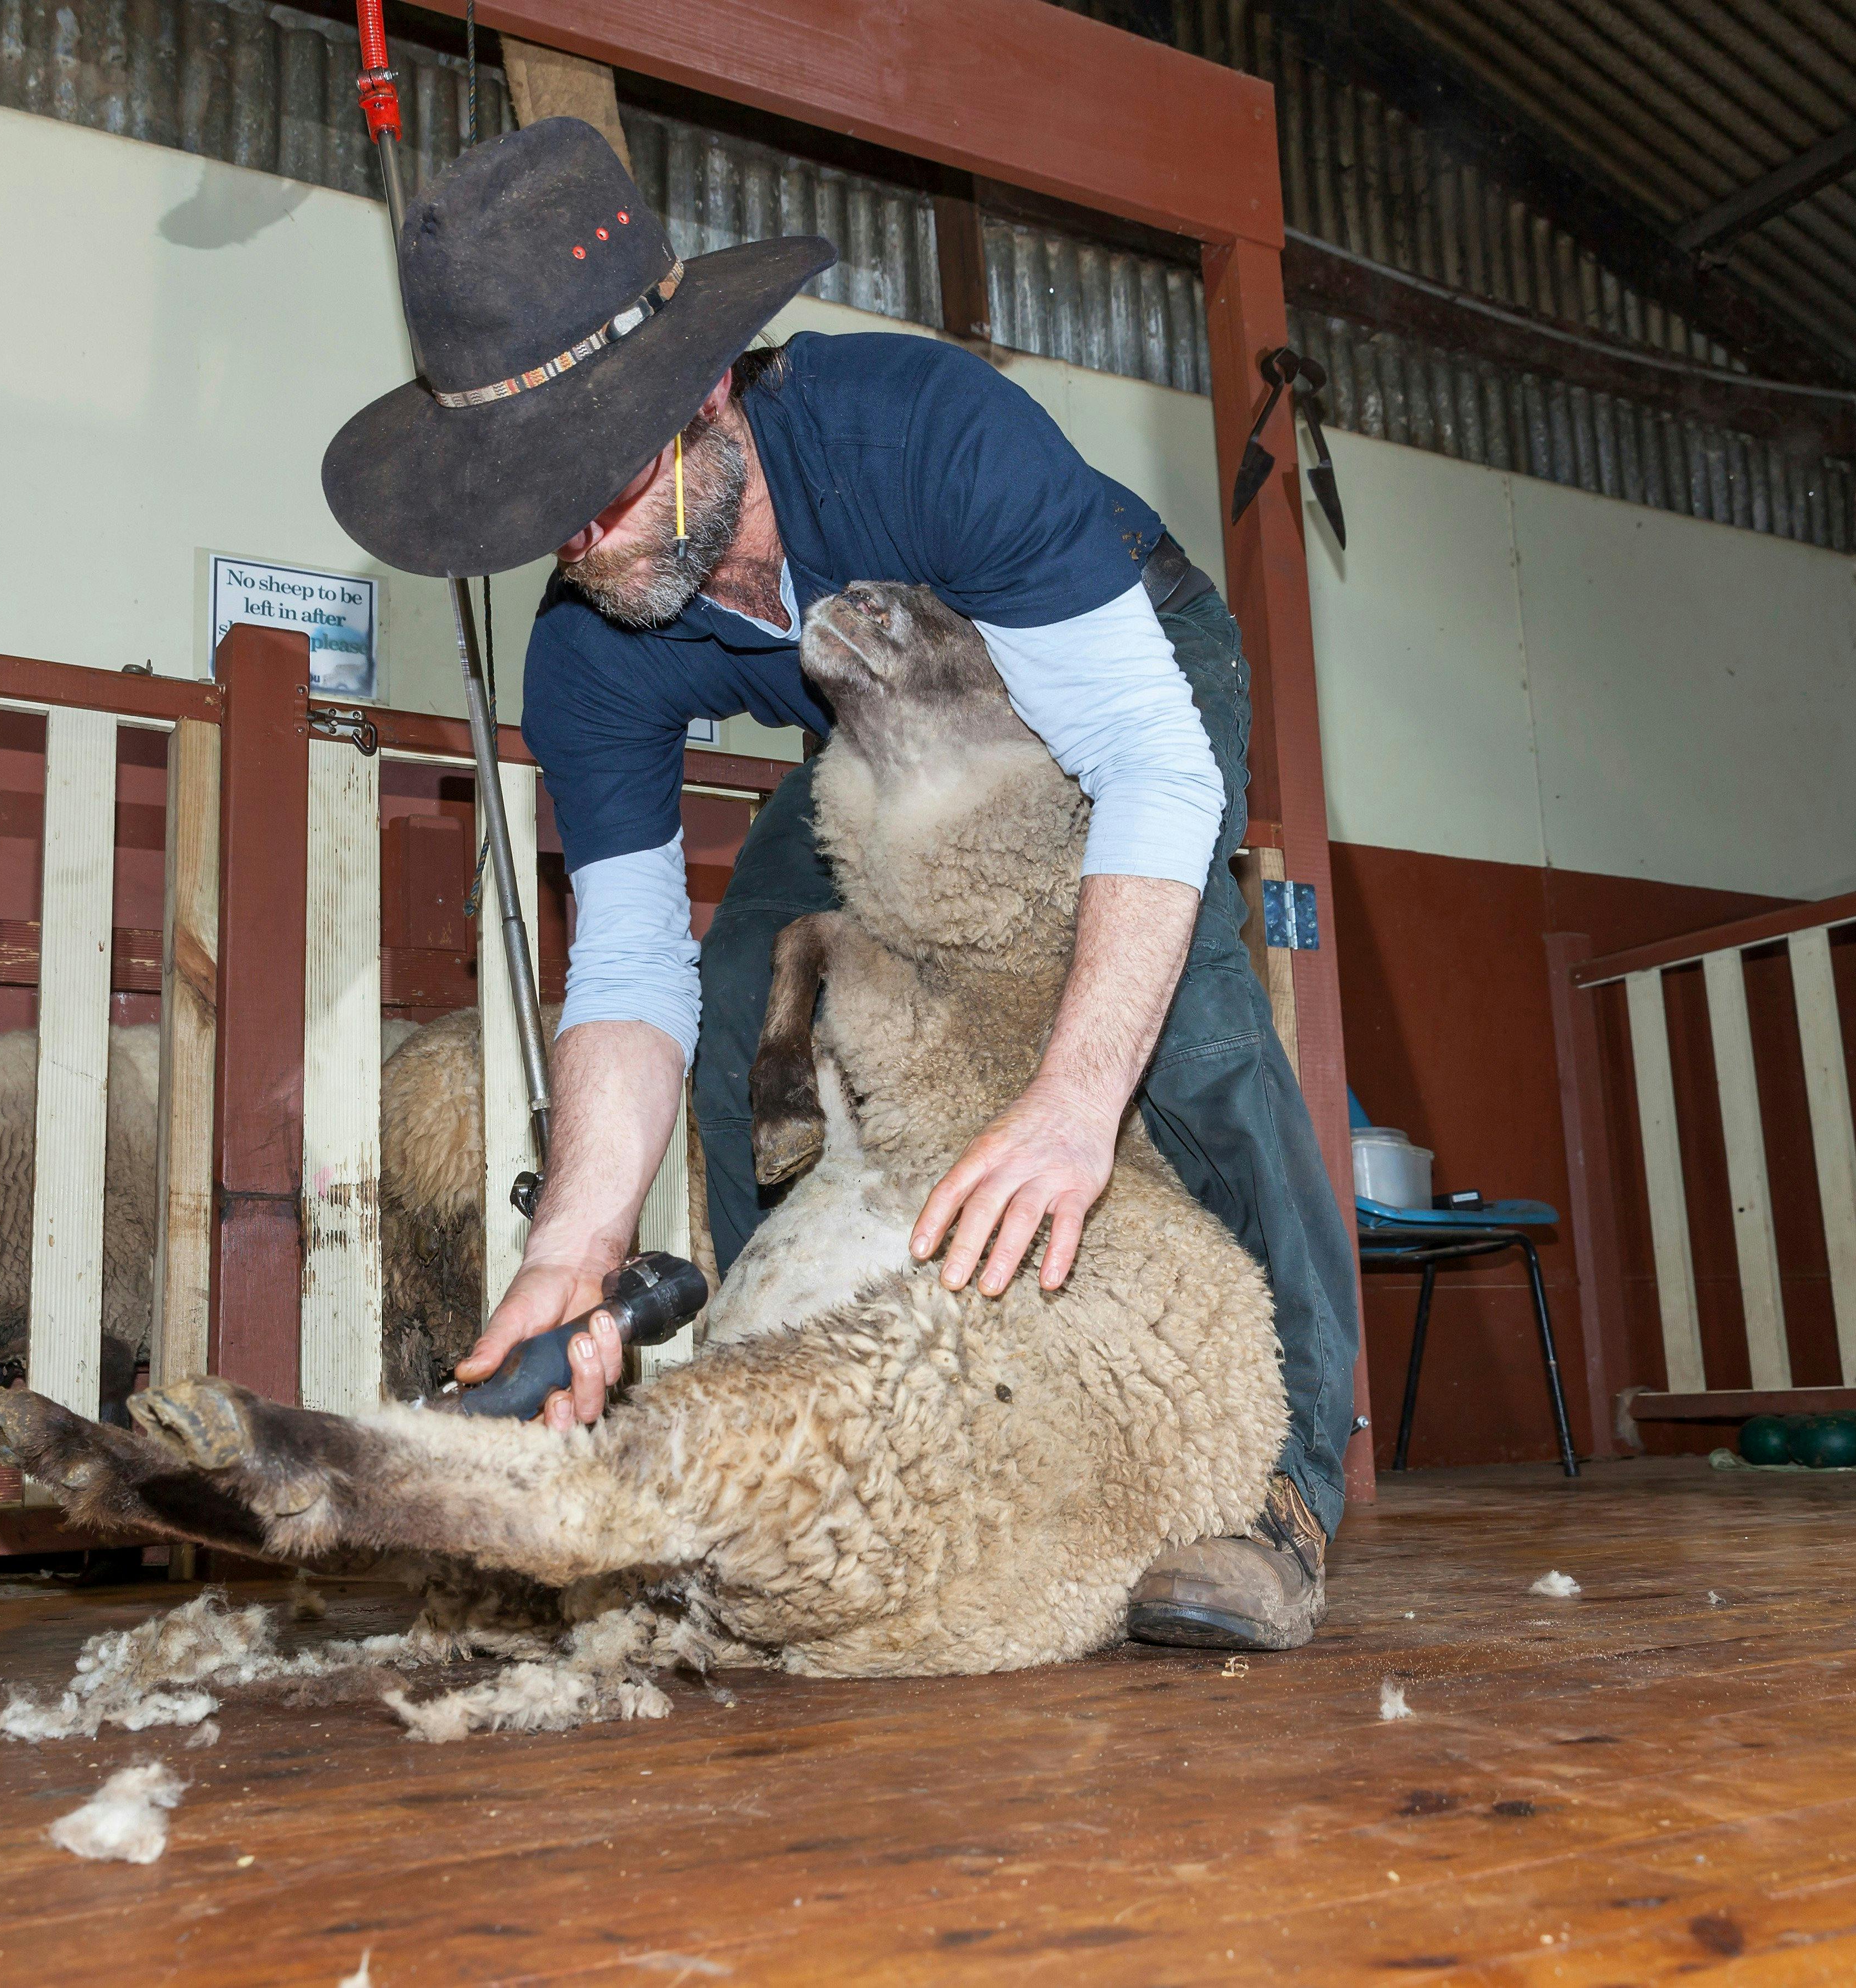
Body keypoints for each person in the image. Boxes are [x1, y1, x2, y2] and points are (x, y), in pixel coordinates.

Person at [323, 119, 1356, 1651]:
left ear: (709, 391)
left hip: (1111, 669)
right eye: (528, 501)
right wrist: (571, 1251)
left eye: (595, 483)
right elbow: (626, 959)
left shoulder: (925, 433)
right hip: (867, 718)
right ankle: (775, 1449)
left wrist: (1072, 1103)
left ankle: (1281, 1492)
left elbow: (1148, 754)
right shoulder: (594, 630)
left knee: (1190, 1034)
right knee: (742, 1007)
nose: (573, 539)